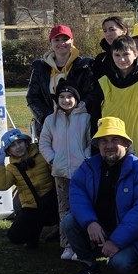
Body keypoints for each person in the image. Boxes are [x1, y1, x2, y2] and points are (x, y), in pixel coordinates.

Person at [63, 116, 138, 274]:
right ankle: (89, 266)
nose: (109, 145)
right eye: (104, 141)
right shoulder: (89, 166)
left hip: (133, 235)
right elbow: (77, 195)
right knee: (70, 221)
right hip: (101, 228)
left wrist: (116, 241)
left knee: (121, 264)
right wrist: (90, 222)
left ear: (126, 143)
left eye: (115, 140)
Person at [88, 35, 138, 166]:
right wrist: (96, 154)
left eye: (126, 54)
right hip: (111, 154)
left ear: (135, 54)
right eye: (117, 55)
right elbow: (95, 121)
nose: (122, 59)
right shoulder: (104, 83)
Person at [39, 82, 90, 261]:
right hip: (60, 172)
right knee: (64, 209)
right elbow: (44, 142)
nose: (66, 100)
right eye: (62, 97)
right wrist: (53, 159)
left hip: (81, 172)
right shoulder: (50, 120)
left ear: (76, 99)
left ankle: (81, 245)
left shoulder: (86, 118)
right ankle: (67, 245)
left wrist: (85, 159)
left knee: (81, 208)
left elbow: (90, 142)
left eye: (69, 97)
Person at [0, 128, 57, 247]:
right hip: (31, 208)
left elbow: (56, 173)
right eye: (13, 145)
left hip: (51, 202)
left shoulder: (42, 156)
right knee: (15, 236)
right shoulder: (11, 168)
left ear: (26, 143)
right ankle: (33, 235)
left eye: (20, 142)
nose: (18, 147)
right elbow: (2, 186)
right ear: (8, 151)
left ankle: (61, 233)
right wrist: (0, 164)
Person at [26, 25, 94, 134]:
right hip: (49, 128)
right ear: (51, 43)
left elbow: (91, 94)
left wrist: (76, 114)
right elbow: (32, 97)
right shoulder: (40, 67)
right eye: (56, 40)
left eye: (65, 39)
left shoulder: (85, 65)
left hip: (79, 126)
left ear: (72, 41)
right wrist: (48, 119)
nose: (61, 43)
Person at [91, 16, 129, 81]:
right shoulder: (101, 59)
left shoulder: (134, 55)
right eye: (105, 31)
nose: (108, 34)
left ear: (124, 31)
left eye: (112, 30)